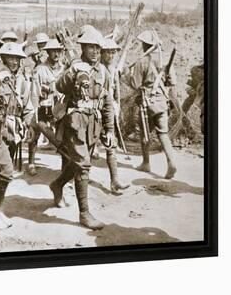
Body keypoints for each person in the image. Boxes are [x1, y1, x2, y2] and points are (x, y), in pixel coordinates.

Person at [48, 25, 114, 230]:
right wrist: (73, 71)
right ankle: (84, 214)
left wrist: (109, 129)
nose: (94, 51)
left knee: (76, 164)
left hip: (93, 124)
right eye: (90, 47)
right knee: (84, 166)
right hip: (75, 123)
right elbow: (59, 86)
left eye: (97, 48)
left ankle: (57, 184)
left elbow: (107, 101)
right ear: (83, 49)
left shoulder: (103, 71)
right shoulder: (76, 66)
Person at [0, 42, 32, 230]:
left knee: (4, 173)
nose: (14, 62)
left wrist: (27, 122)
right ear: (3, 58)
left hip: (13, 131)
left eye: (17, 59)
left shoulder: (21, 80)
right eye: (11, 58)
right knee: (6, 170)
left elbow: (27, 105)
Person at [128, 30, 178, 179]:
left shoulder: (142, 61)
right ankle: (171, 162)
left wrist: (128, 74)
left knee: (145, 132)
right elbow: (172, 82)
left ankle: (146, 162)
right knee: (163, 133)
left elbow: (136, 84)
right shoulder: (165, 60)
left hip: (147, 104)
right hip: (162, 102)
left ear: (145, 44)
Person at [26, 39, 66, 176]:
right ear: (48, 52)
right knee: (36, 131)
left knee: (64, 135)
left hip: (60, 107)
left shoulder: (64, 69)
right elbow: (34, 93)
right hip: (45, 105)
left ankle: (64, 165)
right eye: (53, 51)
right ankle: (31, 162)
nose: (56, 54)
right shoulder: (40, 69)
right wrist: (34, 112)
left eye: (58, 51)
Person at [100, 37, 129, 194]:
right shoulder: (98, 69)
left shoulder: (114, 70)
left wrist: (117, 107)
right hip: (96, 111)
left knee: (111, 145)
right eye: (107, 53)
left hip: (109, 110)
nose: (110, 56)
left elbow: (116, 91)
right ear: (102, 53)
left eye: (113, 53)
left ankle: (114, 181)